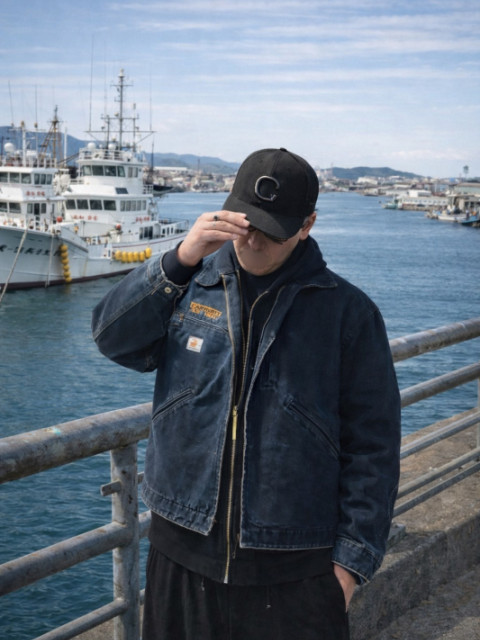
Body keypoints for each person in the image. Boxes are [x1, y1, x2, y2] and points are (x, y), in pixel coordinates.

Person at [92, 147, 401, 640]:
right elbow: (113, 338)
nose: (253, 241)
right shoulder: (186, 285)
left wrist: (350, 565)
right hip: (181, 550)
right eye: (245, 223)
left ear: (307, 225)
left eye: (271, 231)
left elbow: (374, 446)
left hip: (296, 565)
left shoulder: (349, 313)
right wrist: (178, 260)